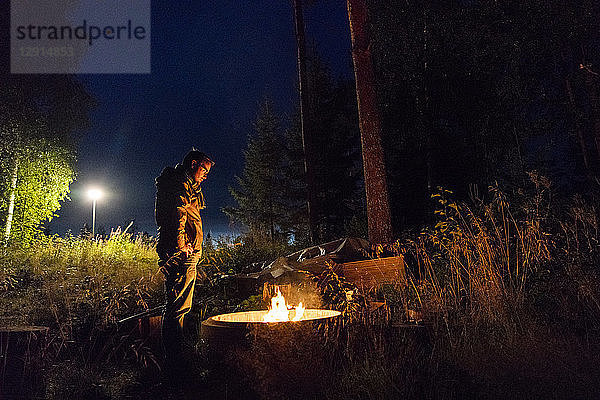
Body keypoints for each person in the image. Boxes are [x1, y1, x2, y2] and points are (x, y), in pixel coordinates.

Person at [154, 148, 214, 368]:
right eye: (204, 169)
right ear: (193, 164)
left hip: (186, 252)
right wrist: (181, 246)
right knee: (177, 307)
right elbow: (177, 213)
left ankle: (177, 358)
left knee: (179, 306)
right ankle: (175, 364)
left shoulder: (188, 185)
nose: (206, 175)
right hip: (181, 253)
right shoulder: (180, 183)